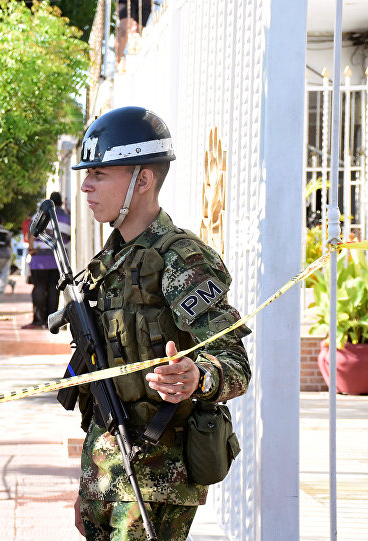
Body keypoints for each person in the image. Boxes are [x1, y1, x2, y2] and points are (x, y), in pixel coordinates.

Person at [71, 106, 251, 540]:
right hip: (107, 473)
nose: (86, 185)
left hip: (157, 480)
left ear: (143, 179)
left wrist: (198, 377)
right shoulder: (110, 261)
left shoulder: (181, 259)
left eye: (100, 173)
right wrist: (90, 487)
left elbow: (234, 363)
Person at [23, 193, 70, 329]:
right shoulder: (67, 218)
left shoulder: (42, 215)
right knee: (54, 290)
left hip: (39, 260)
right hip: (57, 260)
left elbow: (31, 233)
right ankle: (52, 322)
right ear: (61, 203)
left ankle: (38, 320)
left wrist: (31, 249)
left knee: (39, 288)